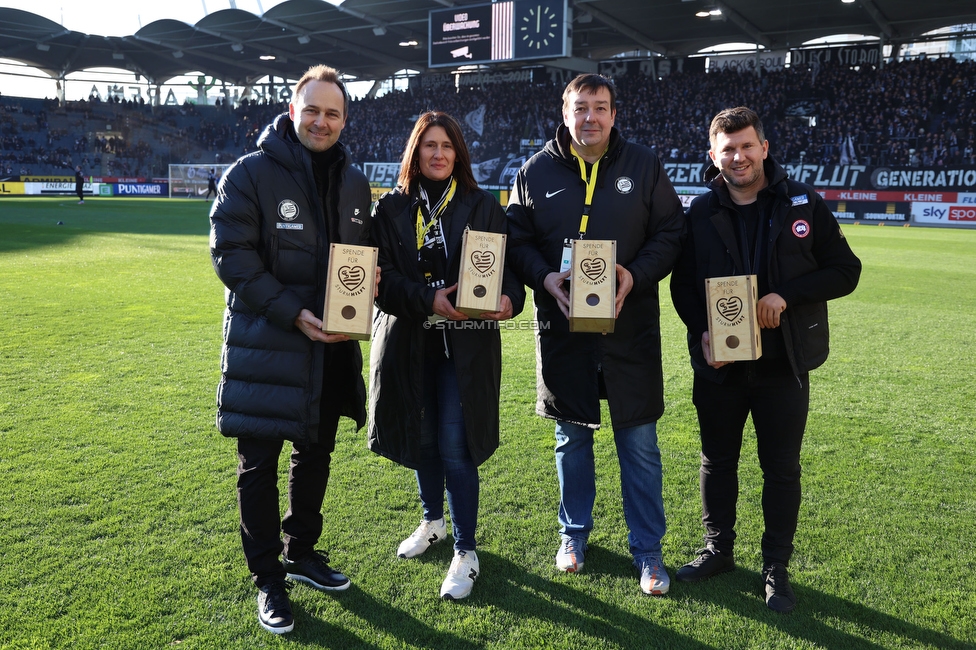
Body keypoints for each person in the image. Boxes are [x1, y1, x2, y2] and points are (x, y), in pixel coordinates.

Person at [669, 106, 861, 613]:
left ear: (764, 148)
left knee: (780, 469)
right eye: (727, 149)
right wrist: (703, 332)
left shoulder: (803, 202)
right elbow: (684, 286)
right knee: (717, 461)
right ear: (713, 155)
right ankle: (718, 551)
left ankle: (776, 567)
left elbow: (846, 270)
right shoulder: (699, 211)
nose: (738, 157)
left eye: (746, 146)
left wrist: (786, 296)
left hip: (784, 365)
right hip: (720, 366)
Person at [209, 64, 374, 635]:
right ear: (292, 112)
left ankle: (301, 552)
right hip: (268, 347)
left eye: (333, 113)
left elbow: (362, 254)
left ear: (344, 120)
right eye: (312, 111)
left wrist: (370, 282)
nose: (321, 121)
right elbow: (231, 255)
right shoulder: (250, 174)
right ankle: (268, 580)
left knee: (316, 452)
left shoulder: (355, 183)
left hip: (331, 348)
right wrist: (291, 311)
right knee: (259, 467)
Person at [506, 74, 684, 595]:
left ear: (614, 113)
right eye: (580, 107)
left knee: (640, 444)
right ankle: (573, 535)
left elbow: (671, 232)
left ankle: (648, 551)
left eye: (600, 107)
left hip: (629, 332)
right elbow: (514, 240)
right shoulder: (534, 172)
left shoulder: (645, 166)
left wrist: (636, 274)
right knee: (571, 439)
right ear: (565, 113)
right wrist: (543, 277)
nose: (591, 117)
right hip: (563, 332)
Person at [368, 111, 525, 600]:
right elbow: (381, 284)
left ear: (459, 153)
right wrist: (427, 300)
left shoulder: (482, 206)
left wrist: (510, 300)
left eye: (447, 146)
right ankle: (432, 521)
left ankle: (466, 550)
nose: (438, 154)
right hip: (410, 343)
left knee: (456, 445)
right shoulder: (390, 209)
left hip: (466, 347)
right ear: (414, 152)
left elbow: (511, 271)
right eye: (429, 145)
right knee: (424, 438)